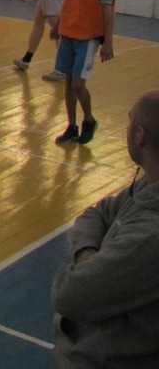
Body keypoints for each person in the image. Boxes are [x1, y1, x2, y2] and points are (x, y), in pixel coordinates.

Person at [51, 88, 159, 368]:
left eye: (130, 120)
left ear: (140, 135)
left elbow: (68, 294)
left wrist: (86, 267)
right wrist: (91, 258)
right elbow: (95, 213)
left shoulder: (148, 238)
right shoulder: (148, 184)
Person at [50, 0, 116, 146]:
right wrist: (57, 25)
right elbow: (68, 0)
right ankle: (71, 126)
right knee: (69, 82)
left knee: (78, 83)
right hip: (69, 34)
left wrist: (108, 41)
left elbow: (108, 11)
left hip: (87, 38)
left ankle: (89, 120)